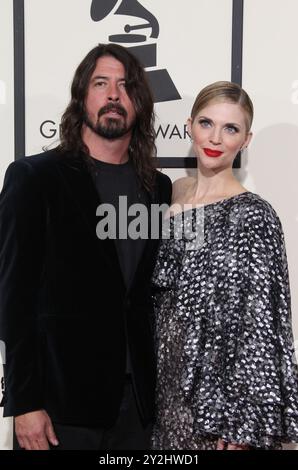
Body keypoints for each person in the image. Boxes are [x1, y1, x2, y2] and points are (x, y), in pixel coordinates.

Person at [0, 43, 172, 450]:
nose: (114, 94)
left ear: (140, 103)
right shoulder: (34, 177)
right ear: (82, 97)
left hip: (139, 406)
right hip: (61, 408)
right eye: (101, 83)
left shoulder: (158, 188)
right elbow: (13, 296)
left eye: (126, 85)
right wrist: (24, 402)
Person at [151, 81, 298, 450]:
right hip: (160, 391)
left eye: (230, 128)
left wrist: (242, 428)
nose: (215, 137)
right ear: (189, 125)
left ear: (245, 140)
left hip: (214, 406)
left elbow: (261, 326)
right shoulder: (169, 194)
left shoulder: (254, 215)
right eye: (206, 123)